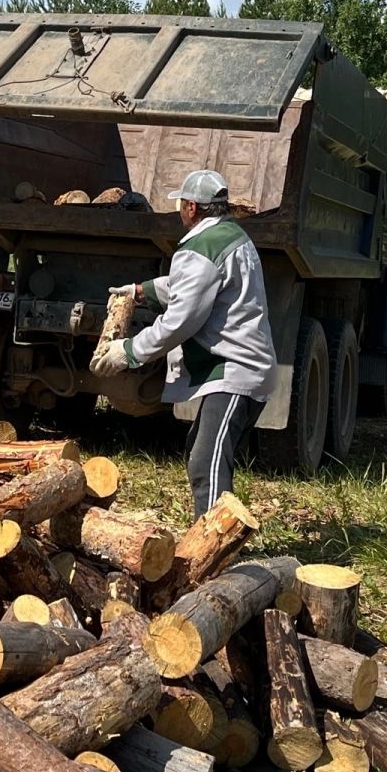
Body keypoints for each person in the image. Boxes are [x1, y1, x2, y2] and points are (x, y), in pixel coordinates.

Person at [91, 169, 276, 514]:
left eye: (181, 204)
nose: (179, 210)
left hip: (236, 372)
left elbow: (181, 320)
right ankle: (207, 542)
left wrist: (128, 352)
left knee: (207, 462)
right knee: (200, 454)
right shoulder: (230, 235)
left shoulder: (202, 247)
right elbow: (189, 285)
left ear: (192, 207)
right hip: (239, 370)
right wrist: (140, 291)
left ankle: (212, 554)